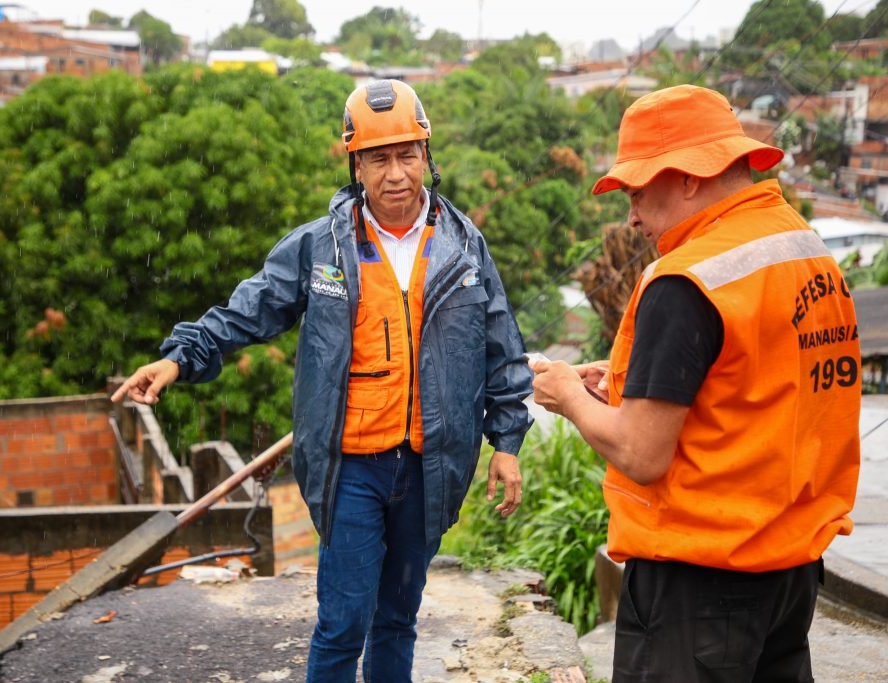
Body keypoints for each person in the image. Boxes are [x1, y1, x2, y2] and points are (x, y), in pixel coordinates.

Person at [111, 79, 533, 682]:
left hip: (430, 465)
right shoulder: (321, 248)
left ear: (427, 156)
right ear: (356, 165)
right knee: (343, 623)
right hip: (351, 467)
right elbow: (249, 309)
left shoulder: (463, 248)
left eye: (406, 154)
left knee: (398, 618)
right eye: (378, 159)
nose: (395, 174)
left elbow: (501, 348)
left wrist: (507, 444)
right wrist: (179, 358)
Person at [531, 84, 861, 682]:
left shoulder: (687, 280)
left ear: (688, 175)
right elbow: (758, 381)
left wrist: (569, 398)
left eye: (637, 191)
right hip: (789, 572)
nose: (632, 216)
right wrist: (633, 381)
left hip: (698, 583)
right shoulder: (803, 249)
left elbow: (641, 452)